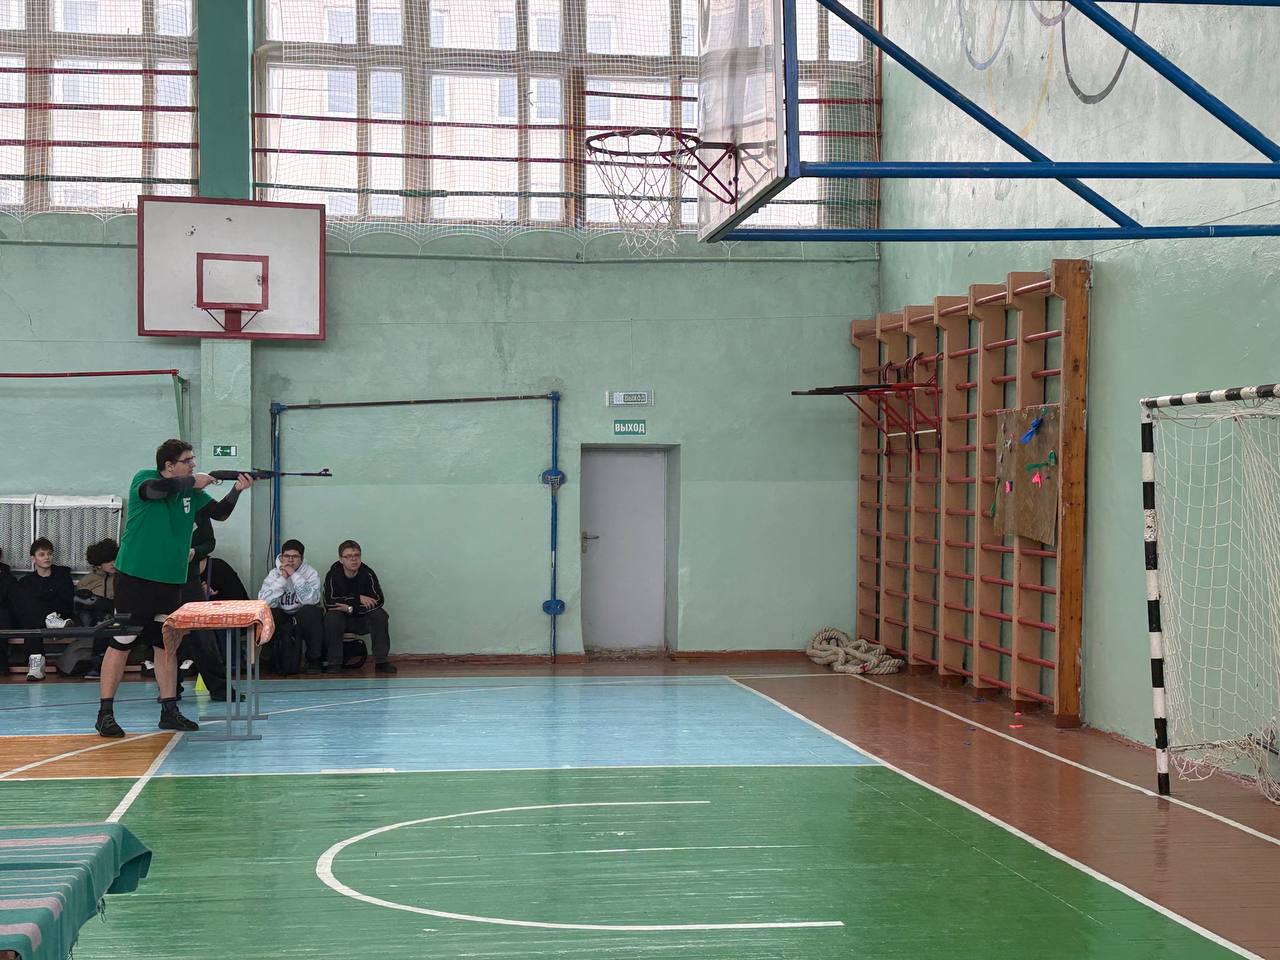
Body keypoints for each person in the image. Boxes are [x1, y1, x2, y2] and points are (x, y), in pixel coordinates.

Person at [95, 439, 253, 738]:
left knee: (166, 644)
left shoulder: (192, 492)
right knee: (122, 641)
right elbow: (155, 490)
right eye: (187, 460)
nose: (193, 464)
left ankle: (169, 710)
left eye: (193, 460)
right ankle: (105, 713)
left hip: (170, 581)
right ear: (169, 465)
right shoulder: (145, 479)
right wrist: (193, 481)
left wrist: (237, 489)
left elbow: (219, 513)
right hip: (136, 578)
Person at [322, 540, 396, 674]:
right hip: (341, 618)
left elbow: (378, 600)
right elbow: (329, 602)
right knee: (332, 617)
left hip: (362, 617)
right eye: (348, 556)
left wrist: (351, 608)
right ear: (341, 560)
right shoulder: (333, 575)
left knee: (380, 615)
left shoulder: (367, 573)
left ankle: (381, 661)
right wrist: (358, 598)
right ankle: (334, 662)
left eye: (357, 555)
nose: (354, 559)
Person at [11, 539, 76, 681]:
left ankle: (36, 664)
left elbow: (65, 602)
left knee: (31, 618)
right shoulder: (26, 581)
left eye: (49, 554)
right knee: (27, 609)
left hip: (61, 616)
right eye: (42, 554)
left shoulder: (62, 576)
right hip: (38, 620)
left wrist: (41, 600)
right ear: (33, 559)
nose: (47, 557)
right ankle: (49, 620)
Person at [257, 539, 324, 675]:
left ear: (301, 558)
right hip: (282, 614)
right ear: (282, 557)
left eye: (295, 556)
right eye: (287, 556)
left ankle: (314, 659)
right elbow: (263, 601)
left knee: (312, 612)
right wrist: (282, 579)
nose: (290, 560)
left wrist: (294, 575)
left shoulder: (311, 573)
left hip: (302, 613)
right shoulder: (274, 574)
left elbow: (311, 600)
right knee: (268, 612)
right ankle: (267, 658)